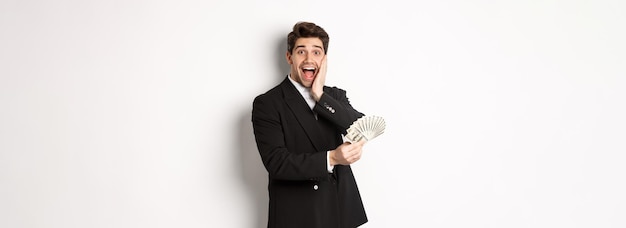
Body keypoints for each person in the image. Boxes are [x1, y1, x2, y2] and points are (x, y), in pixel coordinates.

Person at [251, 22, 369, 228]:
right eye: (301, 51)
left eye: (316, 52)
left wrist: (320, 95)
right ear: (290, 57)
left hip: (339, 209)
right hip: (297, 213)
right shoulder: (268, 103)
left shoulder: (333, 96)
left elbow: (362, 128)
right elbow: (277, 163)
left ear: (324, 60)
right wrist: (332, 158)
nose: (309, 58)